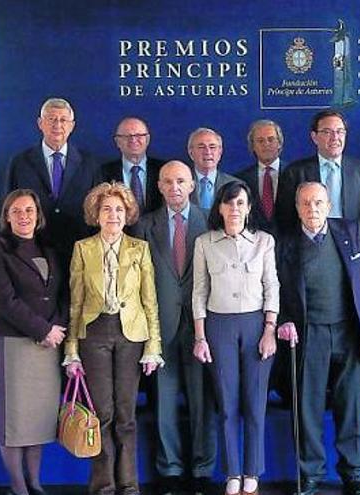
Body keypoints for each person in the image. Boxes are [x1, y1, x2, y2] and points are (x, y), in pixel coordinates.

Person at [64, 182, 163, 495]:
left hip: (130, 336)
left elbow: (150, 302)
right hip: (94, 335)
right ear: (96, 213)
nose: (113, 215)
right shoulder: (83, 248)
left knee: (126, 415)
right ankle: (103, 485)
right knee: (101, 414)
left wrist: (153, 347)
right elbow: (75, 303)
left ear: (128, 213)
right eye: (107, 208)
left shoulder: (139, 248)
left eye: (119, 209)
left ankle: (129, 483)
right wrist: (72, 351)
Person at [276, 182, 360, 495]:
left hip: (348, 329)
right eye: (305, 204)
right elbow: (274, 289)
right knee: (308, 405)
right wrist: (284, 321)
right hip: (309, 331)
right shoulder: (285, 244)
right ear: (297, 208)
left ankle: (353, 472)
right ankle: (311, 472)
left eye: (318, 203)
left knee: (351, 405)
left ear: (329, 205)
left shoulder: (350, 231)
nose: (312, 210)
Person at [132, 161, 216, 495]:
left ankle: (201, 469)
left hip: (201, 328)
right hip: (160, 328)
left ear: (193, 185)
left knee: (201, 402)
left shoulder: (210, 220)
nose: (175, 187)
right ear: (160, 186)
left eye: (181, 181)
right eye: (168, 182)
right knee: (164, 404)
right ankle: (169, 469)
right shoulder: (144, 225)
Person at [192, 181, 280, 495]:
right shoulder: (204, 242)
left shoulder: (264, 242)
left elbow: (273, 286)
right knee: (227, 405)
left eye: (240, 203)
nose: (234, 209)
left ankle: (252, 470)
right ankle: (232, 472)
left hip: (256, 326)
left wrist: (270, 328)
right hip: (218, 326)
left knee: (255, 402)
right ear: (219, 208)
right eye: (229, 204)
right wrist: (200, 337)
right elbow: (199, 291)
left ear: (249, 207)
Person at [0, 189, 67, 495]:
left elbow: (60, 294)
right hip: (15, 342)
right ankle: (18, 488)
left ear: (38, 215)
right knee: (15, 420)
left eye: (29, 210)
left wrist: (57, 326)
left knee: (38, 420)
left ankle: (35, 483)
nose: (24, 216)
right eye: (16, 211)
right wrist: (42, 330)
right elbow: (6, 301)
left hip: (49, 343)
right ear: (7, 216)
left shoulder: (50, 248)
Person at [6, 97, 99, 278]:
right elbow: (7, 210)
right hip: (32, 253)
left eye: (63, 120)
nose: (58, 125)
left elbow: (97, 214)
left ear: (72, 126)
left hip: (78, 254)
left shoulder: (90, 163)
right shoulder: (20, 163)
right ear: (40, 124)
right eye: (51, 119)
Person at [277, 110, 360, 232]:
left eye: (340, 132)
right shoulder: (295, 172)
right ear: (314, 137)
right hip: (309, 245)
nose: (335, 137)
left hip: (352, 244)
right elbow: (286, 218)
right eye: (327, 132)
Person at [100, 116, 165, 215]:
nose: (133, 140)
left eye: (139, 135)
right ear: (117, 141)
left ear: (147, 140)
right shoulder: (101, 172)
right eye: (127, 136)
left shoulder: (163, 170)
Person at [236, 119, 286, 235]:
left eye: (271, 139)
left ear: (279, 143)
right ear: (252, 146)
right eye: (260, 141)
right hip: (254, 246)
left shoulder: (295, 173)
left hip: (288, 246)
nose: (266, 144)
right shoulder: (240, 180)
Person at [188, 127, 240, 210]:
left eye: (212, 147)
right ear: (191, 153)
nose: (207, 152)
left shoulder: (235, 185)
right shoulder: (179, 184)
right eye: (201, 147)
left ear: (220, 152)